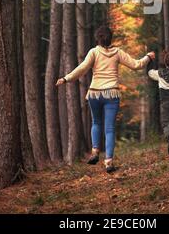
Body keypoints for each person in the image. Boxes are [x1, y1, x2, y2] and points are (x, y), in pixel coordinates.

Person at [56, 25, 155, 173]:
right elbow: (136, 65)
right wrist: (148, 57)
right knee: (109, 128)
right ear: (110, 38)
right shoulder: (117, 52)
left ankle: (95, 151)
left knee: (96, 122)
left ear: (98, 38)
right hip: (111, 94)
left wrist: (66, 78)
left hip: (95, 93)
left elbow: (82, 68)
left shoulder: (94, 52)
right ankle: (108, 162)